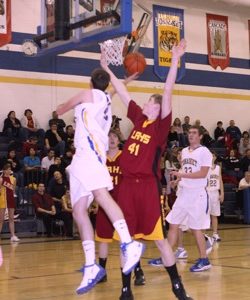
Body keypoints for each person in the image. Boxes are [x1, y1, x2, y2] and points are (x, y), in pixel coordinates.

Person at [102, 39, 192, 300]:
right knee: (126, 240)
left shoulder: (160, 127)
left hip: (147, 187)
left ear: (156, 106)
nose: (145, 105)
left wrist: (175, 59)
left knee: (160, 240)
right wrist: (107, 68)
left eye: (149, 103)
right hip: (127, 186)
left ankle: (178, 288)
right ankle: (125, 289)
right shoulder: (140, 119)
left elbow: (168, 90)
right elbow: (121, 90)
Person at [56, 67, 144, 295]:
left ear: (90, 82)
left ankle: (129, 242)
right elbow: (112, 90)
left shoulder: (90, 95)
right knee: (78, 211)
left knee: (102, 196)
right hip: (80, 160)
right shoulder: (103, 97)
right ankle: (90, 266)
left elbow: (60, 109)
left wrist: (63, 107)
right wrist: (124, 80)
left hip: (91, 155)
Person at [95, 130, 145, 286]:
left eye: (115, 136)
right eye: (109, 136)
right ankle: (101, 272)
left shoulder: (125, 157)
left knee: (127, 240)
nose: (111, 139)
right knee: (103, 239)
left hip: (123, 204)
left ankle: (138, 271)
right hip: (105, 203)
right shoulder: (100, 158)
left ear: (119, 140)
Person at [167, 125, 213, 272]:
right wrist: (178, 180)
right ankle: (166, 257)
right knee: (173, 223)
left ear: (200, 136)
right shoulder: (185, 151)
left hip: (197, 194)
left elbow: (202, 173)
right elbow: (186, 170)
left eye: (194, 133)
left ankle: (204, 259)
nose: (191, 135)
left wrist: (181, 176)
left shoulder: (205, 152)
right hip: (184, 193)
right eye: (189, 133)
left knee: (196, 228)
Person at [207, 152, 224, 242]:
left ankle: (215, 233)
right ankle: (204, 233)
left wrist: (222, 193)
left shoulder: (218, 168)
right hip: (206, 192)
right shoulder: (205, 168)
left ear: (215, 157)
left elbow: (220, 180)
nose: (211, 157)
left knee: (215, 214)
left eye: (213, 155)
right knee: (205, 215)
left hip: (215, 193)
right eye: (210, 155)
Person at [0, 164, 20, 242]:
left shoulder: (13, 179)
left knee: (11, 218)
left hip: (11, 199)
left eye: (10, 169)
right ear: (4, 170)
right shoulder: (1, 179)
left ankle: (13, 236)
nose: (9, 170)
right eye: (7, 169)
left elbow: (13, 190)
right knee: (1, 219)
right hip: (2, 199)